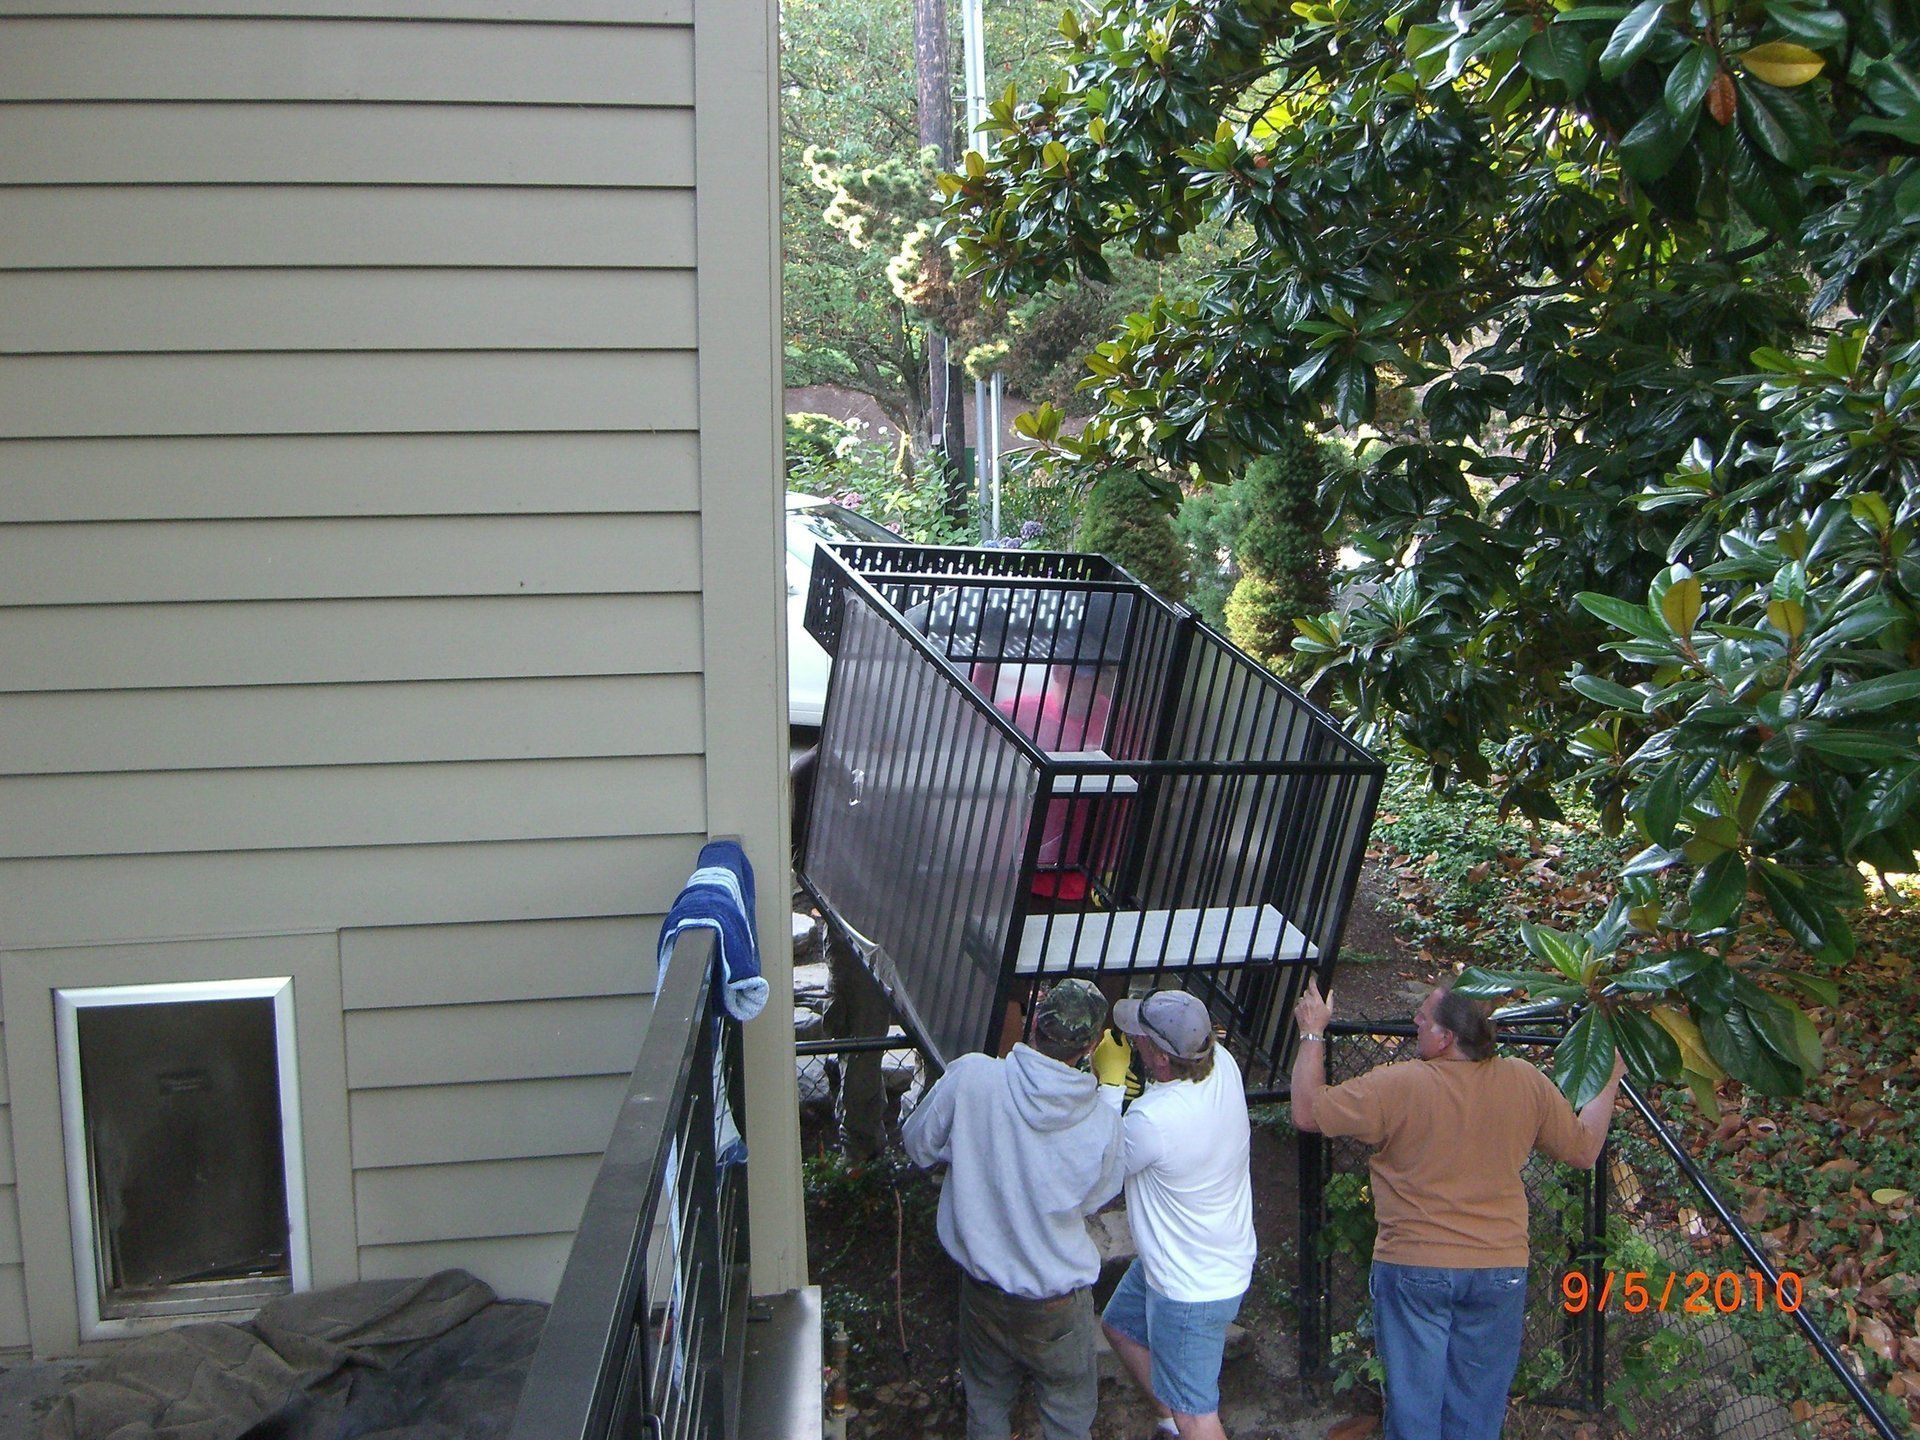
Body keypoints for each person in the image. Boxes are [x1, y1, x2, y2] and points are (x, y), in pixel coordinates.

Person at [1289, 979, 1629, 1440]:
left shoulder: (1399, 1083)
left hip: (1416, 1267)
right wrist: (1609, 1078)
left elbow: (1310, 1112)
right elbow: (1584, 1150)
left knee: (1414, 1412)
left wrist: (1312, 1033)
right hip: (1498, 1269)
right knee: (1477, 1412)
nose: (1415, 1021)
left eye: (1423, 1018)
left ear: (1445, 1037)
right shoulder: (1523, 1079)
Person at [903, 978, 1126, 1440]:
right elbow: (1095, 1196)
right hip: (1057, 1305)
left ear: (1035, 1022)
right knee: (1067, 1417)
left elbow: (918, 1145)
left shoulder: (972, 1077)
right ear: (1089, 1047)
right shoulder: (1102, 1122)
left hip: (982, 1292)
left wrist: (970, 1156)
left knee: (985, 1406)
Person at [1093, 990, 1254, 1440]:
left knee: (1198, 1413)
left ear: (1161, 1059)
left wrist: (1109, 1087)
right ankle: (1171, 1425)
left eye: (1139, 1038)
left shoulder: (1152, 1120)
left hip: (1190, 1288)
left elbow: (1102, 1172)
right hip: (1196, 1256)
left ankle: (1183, 1424)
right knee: (1120, 1326)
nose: (1131, 1040)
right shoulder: (1223, 1066)